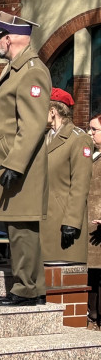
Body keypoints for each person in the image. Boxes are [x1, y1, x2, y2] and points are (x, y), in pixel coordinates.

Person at [0, 12, 51, 306]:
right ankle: (33, 288)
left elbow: (32, 124)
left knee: (22, 228)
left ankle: (26, 289)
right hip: (9, 160)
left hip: (19, 164)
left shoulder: (31, 71)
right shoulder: (17, 68)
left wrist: (15, 164)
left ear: (9, 38)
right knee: (19, 226)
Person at [41, 88, 92, 264]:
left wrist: (71, 221)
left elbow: (80, 184)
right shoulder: (44, 138)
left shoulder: (78, 139)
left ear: (53, 111)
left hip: (62, 224)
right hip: (43, 223)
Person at [86, 112, 101, 327]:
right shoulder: (94, 156)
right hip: (91, 226)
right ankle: (93, 316)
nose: (90, 132)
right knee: (93, 275)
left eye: (94, 129)